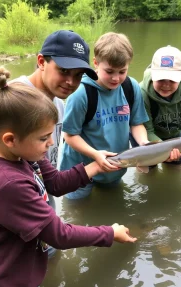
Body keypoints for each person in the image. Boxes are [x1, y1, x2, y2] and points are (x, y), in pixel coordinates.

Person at [0, 66, 137, 287]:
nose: (51, 143)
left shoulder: (16, 153)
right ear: (10, 139)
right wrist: (109, 233)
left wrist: (97, 165)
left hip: (20, 271)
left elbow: (56, 183)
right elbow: (59, 235)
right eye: (43, 138)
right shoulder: (8, 183)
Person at [0, 30, 98, 257]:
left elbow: (47, 172)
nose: (71, 82)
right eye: (64, 71)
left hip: (40, 206)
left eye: (79, 75)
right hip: (11, 224)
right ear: (41, 61)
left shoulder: (57, 104)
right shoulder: (9, 103)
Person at [60, 32, 150, 200]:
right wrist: (95, 155)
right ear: (95, 63)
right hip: (80, 170)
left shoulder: (131, 87)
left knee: (112, 205)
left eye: (122, 71)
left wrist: (144, 143)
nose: (116, 78)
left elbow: (136, 123)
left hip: (113, 167)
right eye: (109, 71)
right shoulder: (80, 93)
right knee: (77, 212)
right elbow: (70, 135)